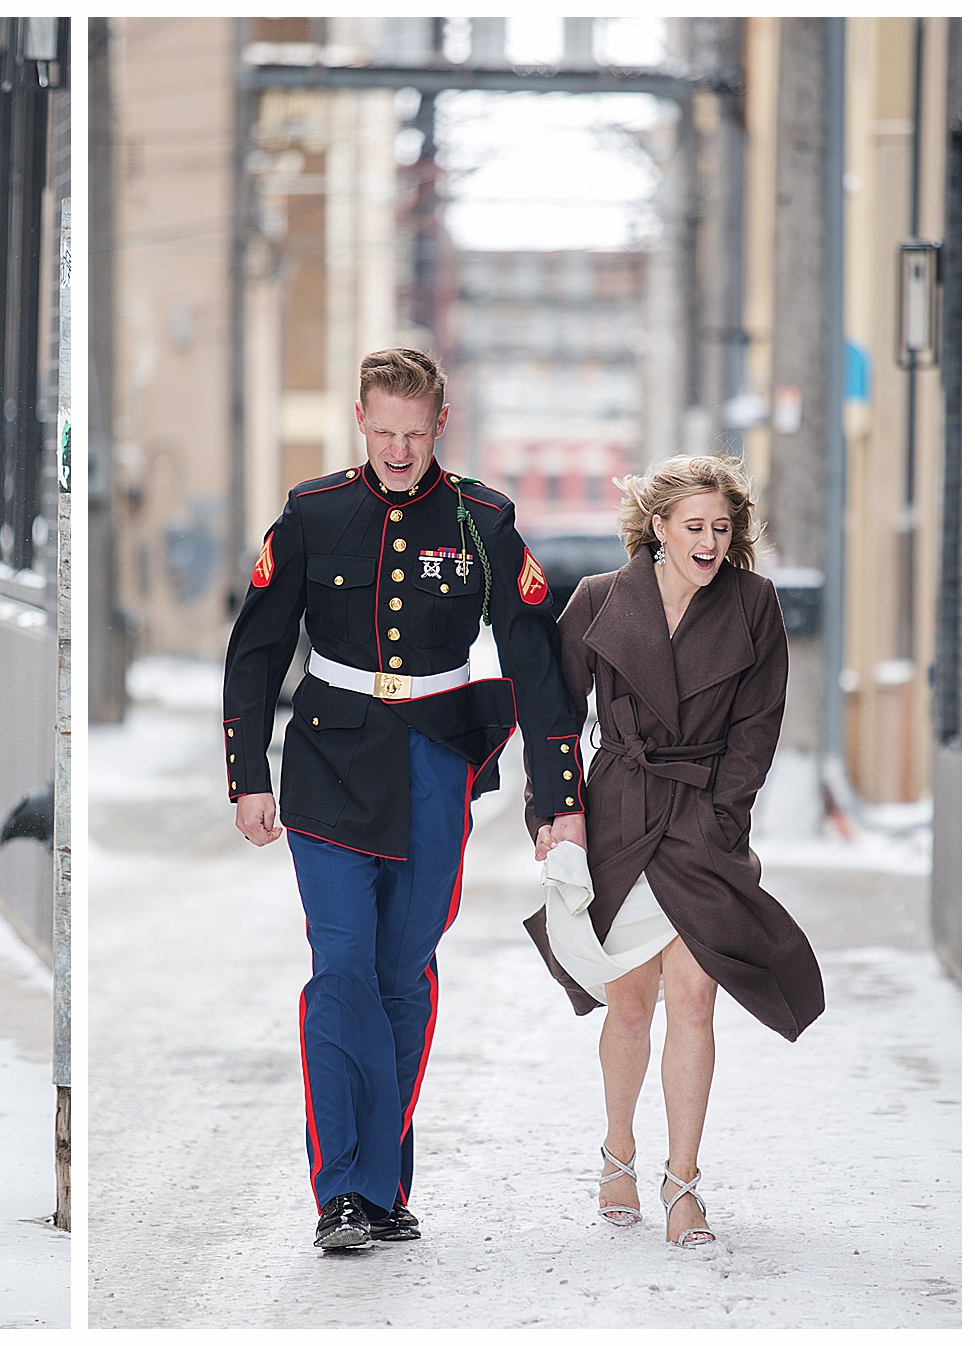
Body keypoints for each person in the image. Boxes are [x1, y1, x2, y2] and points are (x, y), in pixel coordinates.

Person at [223, 348, 587, 1250]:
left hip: (434, 758)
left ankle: (383, 1181)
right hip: (328, 758)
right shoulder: (313, 513)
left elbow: (536, 665)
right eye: (381, 431)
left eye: (412, 434)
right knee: (340, 967)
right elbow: (257, 647)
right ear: (359, 419)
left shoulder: (482, 521)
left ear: (440, 425)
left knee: (401, 973)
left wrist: (560, 794)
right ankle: (347, 1191)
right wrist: (247, 774)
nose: (396, 449)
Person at [524, 454, 823, 1247]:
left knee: (694, 1000)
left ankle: (683, 1183)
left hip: (701, 823)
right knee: (629, 1005)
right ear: (657, 528)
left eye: (722, 528)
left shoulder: (754, 605)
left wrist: (724, 818)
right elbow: (553, 718)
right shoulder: (596, 600)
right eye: (694, 526)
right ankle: (617, 1151)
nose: (710, 541)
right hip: (620, 814)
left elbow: (760, 723)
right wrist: (553, 815)